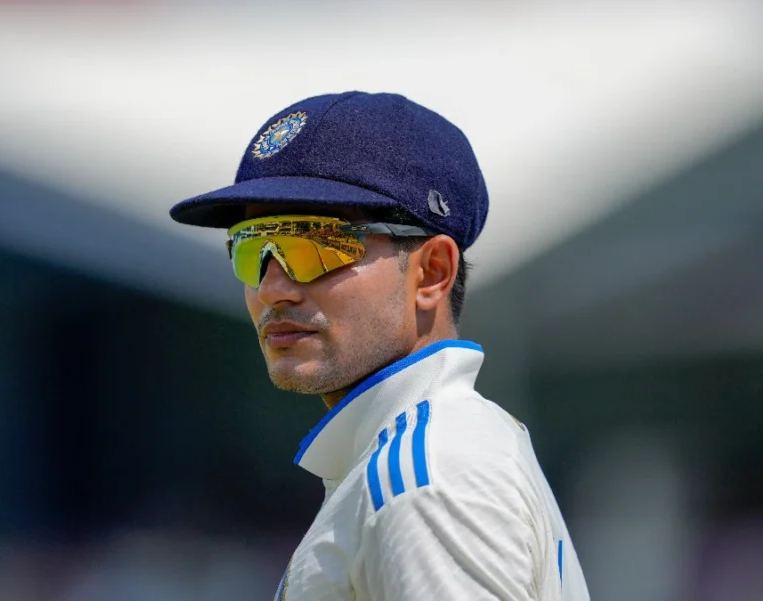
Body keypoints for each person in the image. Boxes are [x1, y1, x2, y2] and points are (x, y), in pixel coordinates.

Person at [168, 92, 589, 600]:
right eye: (253, 248)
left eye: (317, 244)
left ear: (432, 272)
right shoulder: (434, 452)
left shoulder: (426, 478)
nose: (272, 288)